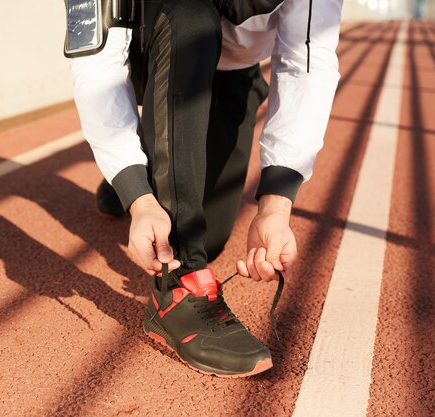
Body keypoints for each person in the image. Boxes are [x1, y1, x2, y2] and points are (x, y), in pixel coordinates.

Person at [65, 0, 341, 377]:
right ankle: (176, 289)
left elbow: (307, 62)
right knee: (185, 235)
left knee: (210, 234)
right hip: (153, 43)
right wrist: (140, 197)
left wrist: (276, 207)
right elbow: (96, 70)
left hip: (234, 65)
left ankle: (142, 163)